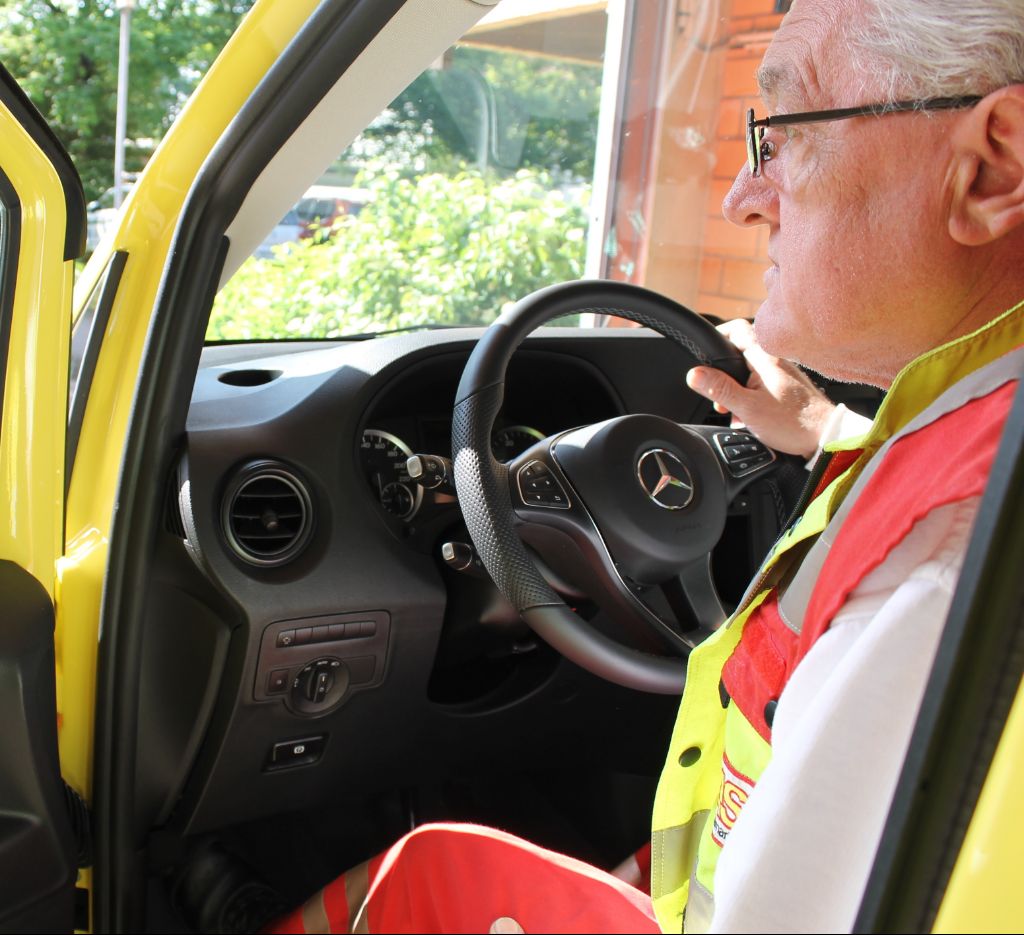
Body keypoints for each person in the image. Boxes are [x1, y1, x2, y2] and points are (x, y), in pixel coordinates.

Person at [265, 0, 1024, 931]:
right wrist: (826, 430)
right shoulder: (983, 447)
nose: (742, 195)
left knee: (418, 880)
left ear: (991, 168)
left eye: (781, 135)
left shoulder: (941, 586)